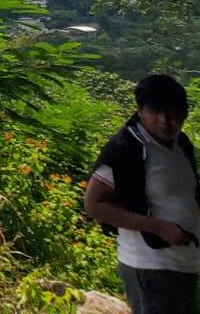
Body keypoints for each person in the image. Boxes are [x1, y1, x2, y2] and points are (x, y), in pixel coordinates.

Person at [84, 74, 200, 314]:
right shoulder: (126, 148)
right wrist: (158, 227)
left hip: (186, 266)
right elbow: (94, 204)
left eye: (173, 113)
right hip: (150, 268)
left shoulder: (181, 144)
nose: (165, 120)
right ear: (140, 110)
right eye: (155, 111)